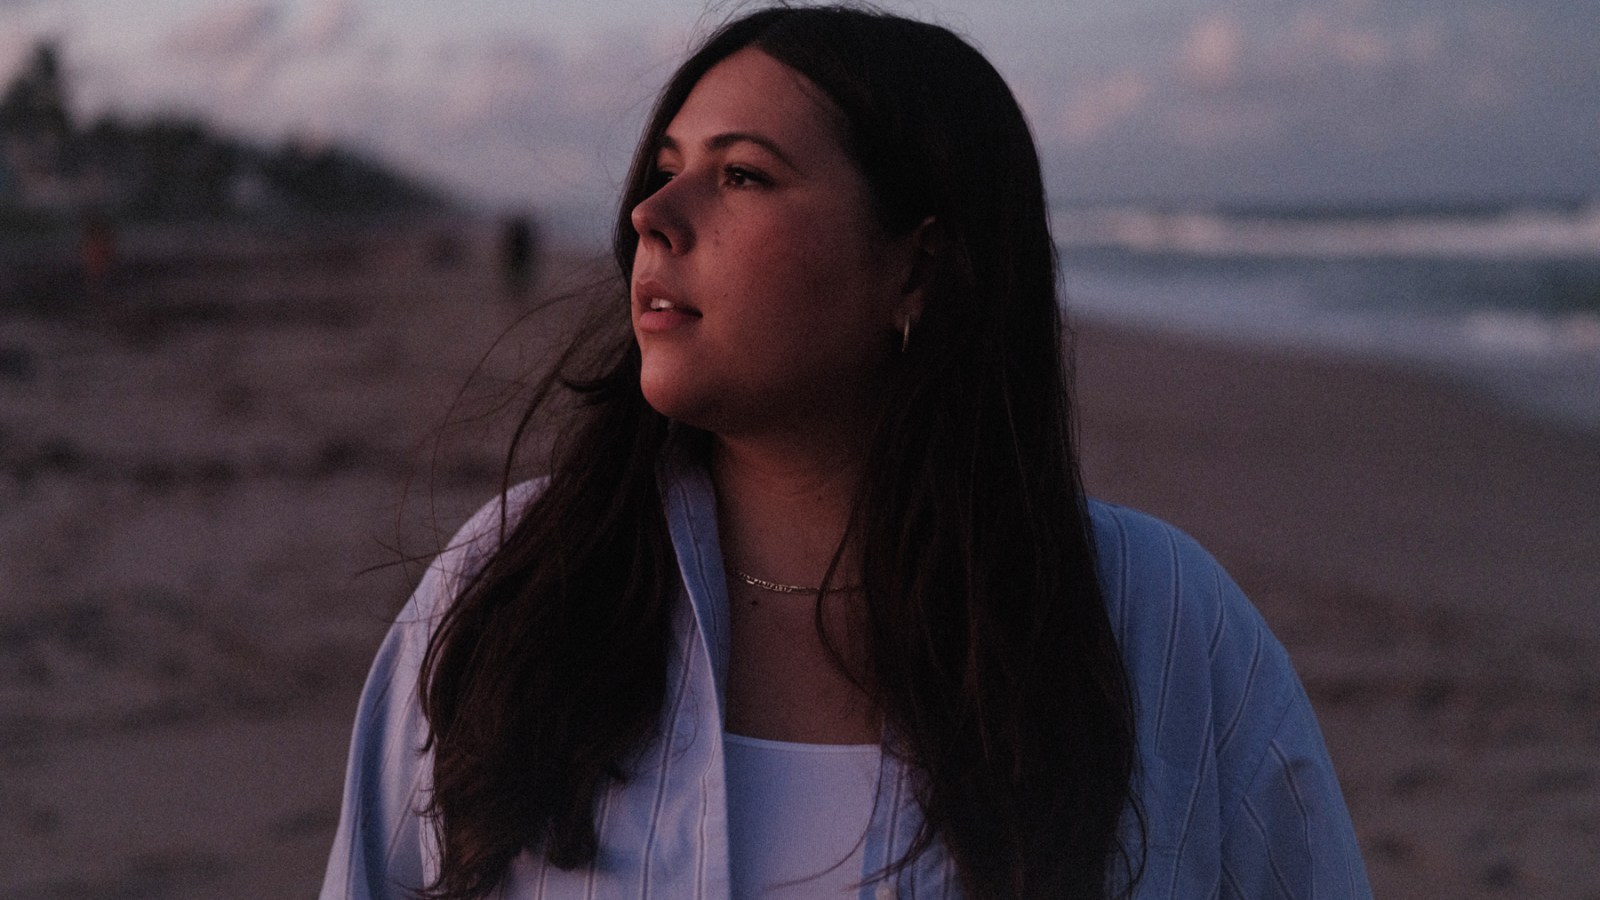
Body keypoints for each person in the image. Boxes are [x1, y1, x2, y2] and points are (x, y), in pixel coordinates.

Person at [321, 7, 1371, 899]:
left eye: (741, 175)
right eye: (664, 169)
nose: (650, 214)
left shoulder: (1162, 625)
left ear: (917, 270)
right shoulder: (516, 581)